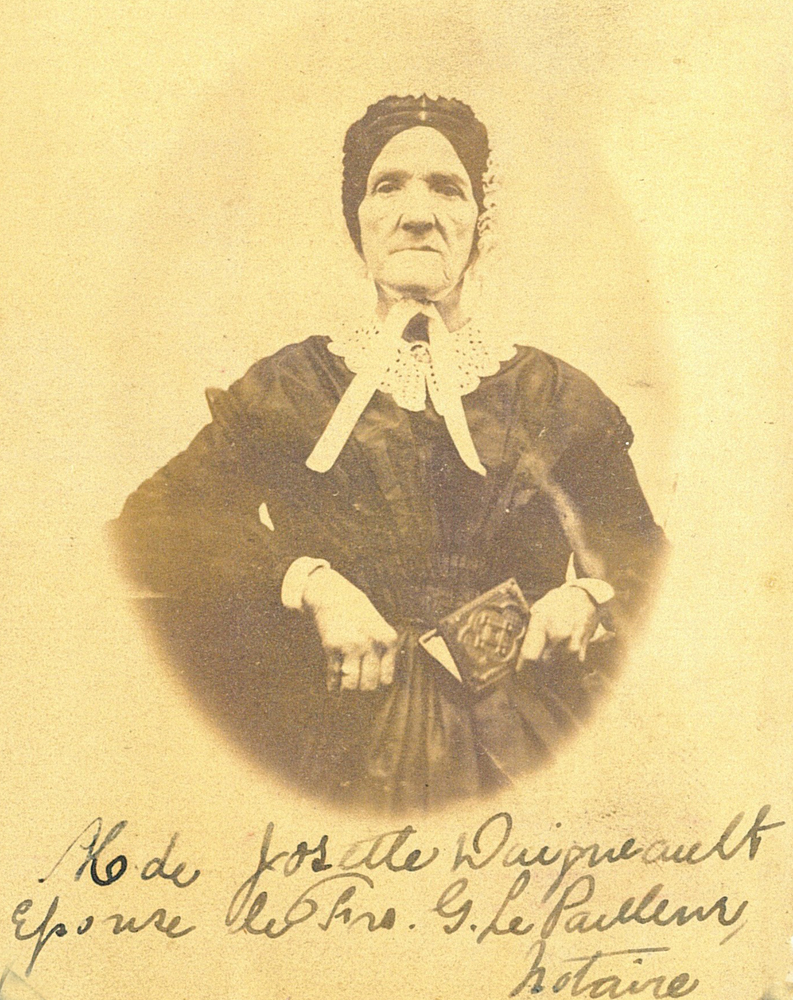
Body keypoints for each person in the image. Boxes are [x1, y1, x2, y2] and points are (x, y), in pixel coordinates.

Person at [113, 95, 667, 812]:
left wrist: (587, 596)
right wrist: (309, 582)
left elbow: (643, 555)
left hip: (522, 745)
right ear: (358, 226)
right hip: (331, 741)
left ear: (479, 228)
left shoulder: (555, 394)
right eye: (387, 187)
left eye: (447, 188)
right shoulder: (288, 386)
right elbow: (153, 523)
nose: (416, 213)